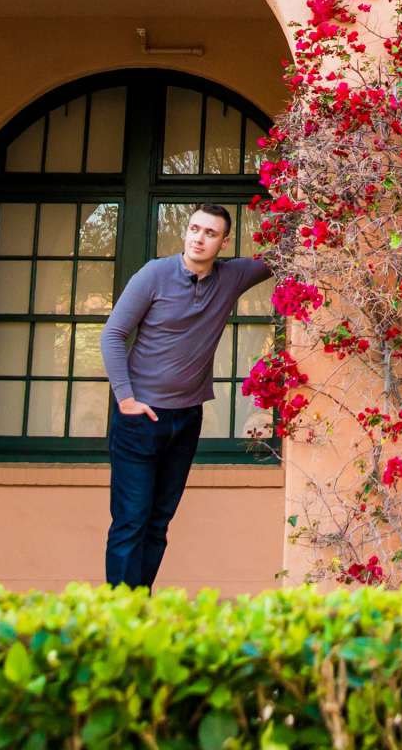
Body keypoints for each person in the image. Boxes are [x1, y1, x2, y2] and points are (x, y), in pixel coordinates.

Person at [97, 202, 270, 590]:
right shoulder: (154, 275)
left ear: (223, 242)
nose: (199, 238)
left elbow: (285, 254)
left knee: (158, 522)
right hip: (140, 417)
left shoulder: (231, 277)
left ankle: (140, 606)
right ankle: (117, 616)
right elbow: (111, 335)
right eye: (194, 229)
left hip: (187, 417)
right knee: (131, 520)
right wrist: (125, 398)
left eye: (210, 233)